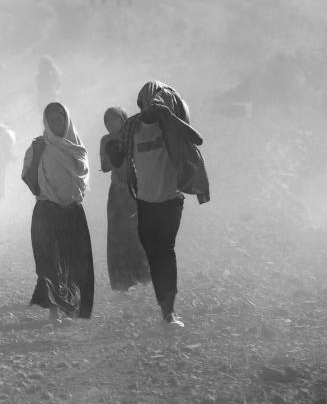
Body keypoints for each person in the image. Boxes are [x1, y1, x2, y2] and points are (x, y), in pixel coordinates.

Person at [105, 81, 210, 328]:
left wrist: (170, 118)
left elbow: (197, 139)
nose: (154, 105)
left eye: (158, 101)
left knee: (165, 250)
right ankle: (165, 305)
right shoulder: (132, 126)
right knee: (153, 253)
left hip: (171, 200)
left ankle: (169, 311)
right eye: (150, 101)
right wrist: (112, 151)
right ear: (142, 104)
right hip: (143, 200)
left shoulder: (169, 125)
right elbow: (120, 156)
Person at [21, 102, 94, 323]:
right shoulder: (39, 146)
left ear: (67, 120)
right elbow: (27, 175)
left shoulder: (76, 147)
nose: (56, 123)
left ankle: (71, 306)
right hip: (47, 211)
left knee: (74, 262)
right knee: (49, 262)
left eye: (60, 119)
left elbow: (82, 178)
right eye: (52, 120)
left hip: (72, 211)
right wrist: (47, 193)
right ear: (46, 122)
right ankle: (53, 311)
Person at [100, 106, 150, 293]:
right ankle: (122, 282)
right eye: (108, 121)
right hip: (117, 193)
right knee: (117, 237)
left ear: (123, 120)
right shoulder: (106, 140)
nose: (112, 124)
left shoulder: (133, 136)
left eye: (115, 119)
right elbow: (104, 167)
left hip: (136, 190)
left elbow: (141, 161)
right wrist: (110, 153)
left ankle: (144, 276)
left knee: (137, 233)